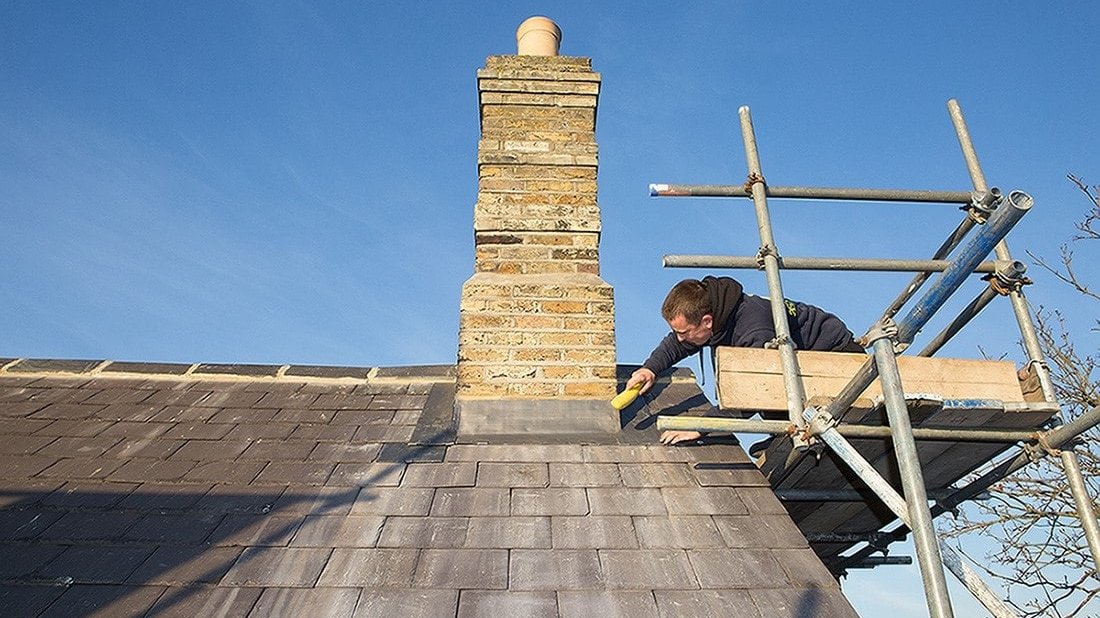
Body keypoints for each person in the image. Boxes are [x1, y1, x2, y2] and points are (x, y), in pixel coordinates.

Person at [627, 276, 864, 445]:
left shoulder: (752, 328)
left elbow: (754, 393)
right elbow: (677, 344)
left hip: (840, 361)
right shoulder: (716, 316)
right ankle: (783, 436)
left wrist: (701, 426)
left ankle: (786, 435)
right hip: (806, 363)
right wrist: (650, 369)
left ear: (707, 321)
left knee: (770, 384)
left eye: (684, 332)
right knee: (773, 380)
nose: (680, 338)